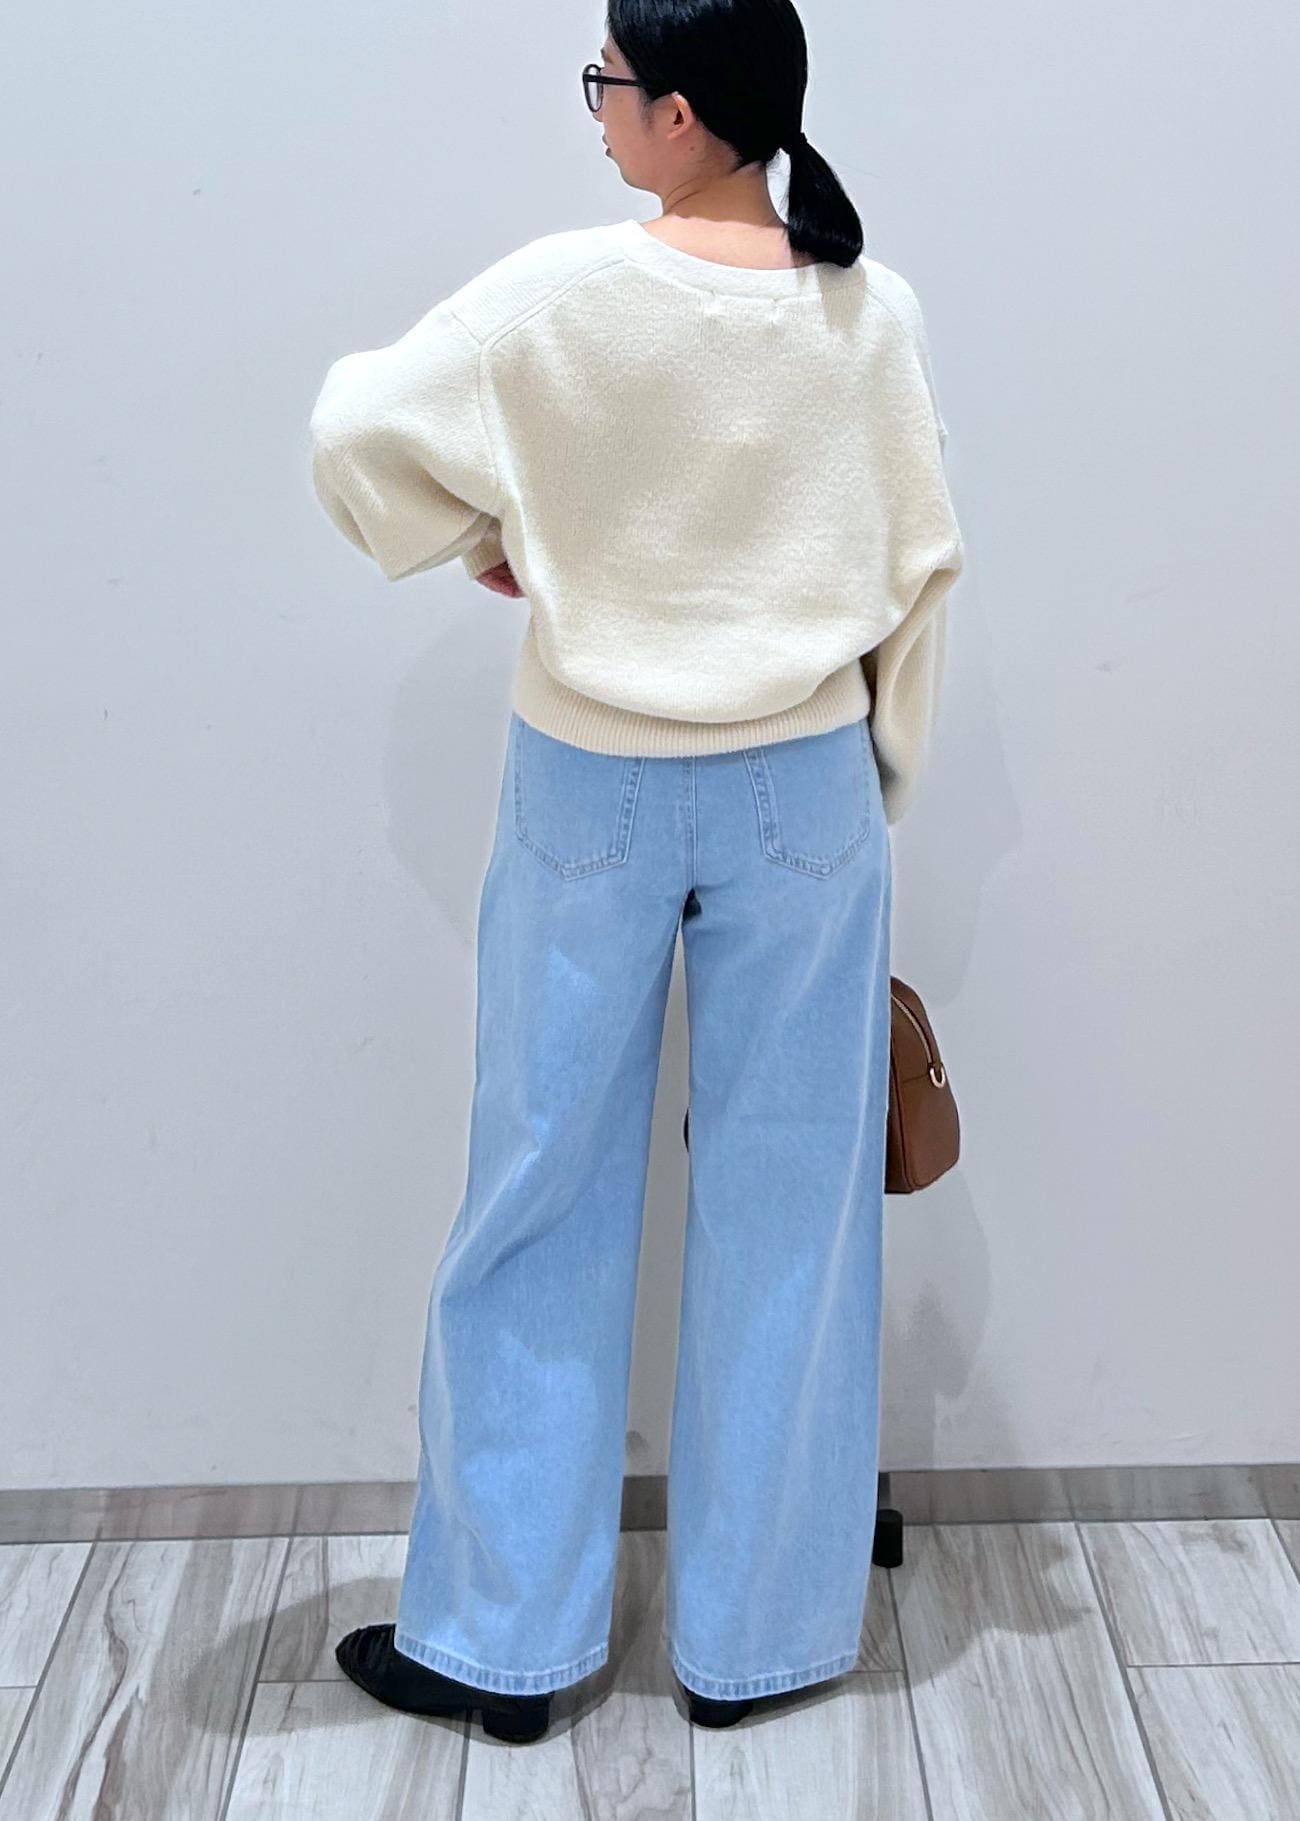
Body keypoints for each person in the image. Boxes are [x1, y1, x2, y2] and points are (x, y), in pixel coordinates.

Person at [307, 0, 963, 1748]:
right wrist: (880, 769)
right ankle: (764, 1633)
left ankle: (499, 1642)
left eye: (609, 81)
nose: (596, 108)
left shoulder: (559, 296)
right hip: (803, 787)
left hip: (593, 775)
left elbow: (353, 432)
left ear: (680, 113)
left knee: (540, 1186)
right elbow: (923, 564)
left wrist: (492, 537)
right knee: (793, 1201)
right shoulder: (869, 312)